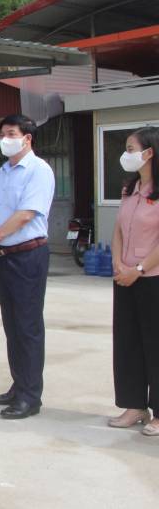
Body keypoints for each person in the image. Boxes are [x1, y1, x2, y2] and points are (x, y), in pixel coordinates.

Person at [0, 114, 55, 420]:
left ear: (27, 138)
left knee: (28, 326)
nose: (5, 139)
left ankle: (30, 396)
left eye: (11, 133)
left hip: (27, 256)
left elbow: (26, 214)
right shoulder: (1, 174)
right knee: (12, 325)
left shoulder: (39, 170)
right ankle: (18, 384)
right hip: (2, 257)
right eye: (2, 134)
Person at [108, 126, 159, 436]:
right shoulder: (130, 188)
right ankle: (134, 405)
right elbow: (118, 229)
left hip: (152, 277)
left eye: (130, 149)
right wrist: (118, 263)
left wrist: (138, 269)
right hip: (124, 276)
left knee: (156, 345)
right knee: (128, 343)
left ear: (149, 152)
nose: (125, 155)